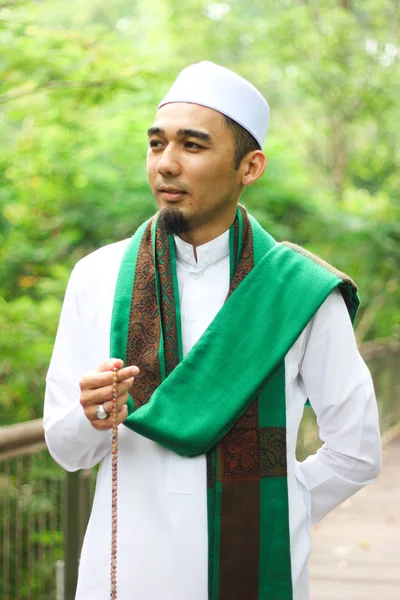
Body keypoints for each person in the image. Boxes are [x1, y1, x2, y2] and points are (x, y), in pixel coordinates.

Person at [44, 61, 381, 600]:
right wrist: (92, 418)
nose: (167, 164)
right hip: (126, 570)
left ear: (250, 167)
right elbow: (67, 452)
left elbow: (357, 451)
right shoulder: (97, 277)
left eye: (193, 146)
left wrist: (279, 509)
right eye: (157, 145)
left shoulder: (300, 292)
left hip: (256, 568)